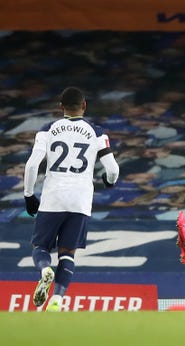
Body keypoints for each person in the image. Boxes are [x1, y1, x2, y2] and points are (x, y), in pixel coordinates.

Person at [23, 86, 120, 312]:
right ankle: (57, 300)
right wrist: (109, 180)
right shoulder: (97, 132)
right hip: (80, 200)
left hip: (53, 196)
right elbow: (112, 169)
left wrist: (29, 196)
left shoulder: (48, 130)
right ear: (84, 106)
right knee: (68, 253)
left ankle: (45, 269)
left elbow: (31, 165)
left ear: (61, 107)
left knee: (41, 246)